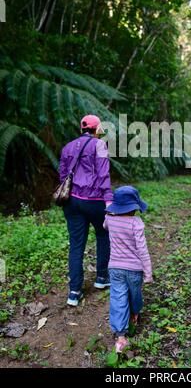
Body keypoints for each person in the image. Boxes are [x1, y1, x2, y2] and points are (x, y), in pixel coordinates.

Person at [59, 115, 113, 306]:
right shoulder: (99, 145)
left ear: (81, 128)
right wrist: (108, 201)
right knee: (103, 235)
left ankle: (74, 292)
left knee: (76, 245)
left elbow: (63, 175)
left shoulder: (68, 147)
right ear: (97, 129)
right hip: (94, 200)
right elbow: (103, 174)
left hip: (72, 201)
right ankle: (101, 278)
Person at [104, 186, 153, 353]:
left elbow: (105, 225)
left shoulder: (109, 219)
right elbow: (142, 250)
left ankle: (120, 337)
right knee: (134, 295)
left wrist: (110, 210)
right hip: (134, 270)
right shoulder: (136, 223)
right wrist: (148, 273)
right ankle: (134, 315)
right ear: (134, 208)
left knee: (118, 298)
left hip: (115, 268)